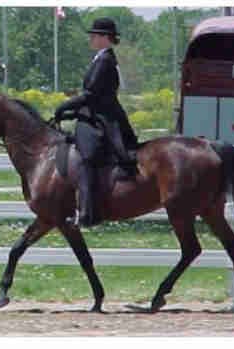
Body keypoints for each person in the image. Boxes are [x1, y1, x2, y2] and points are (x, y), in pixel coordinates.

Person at [51, 17, 139, 227]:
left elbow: (91, 95)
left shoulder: (105, 61)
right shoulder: (101, 58)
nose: (91, 38)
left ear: (105, 38)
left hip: (103, 119)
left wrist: (65, 107)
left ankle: (88, 212)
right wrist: (71, 113)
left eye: (94, 35)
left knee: (86, 155)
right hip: (96, 114)